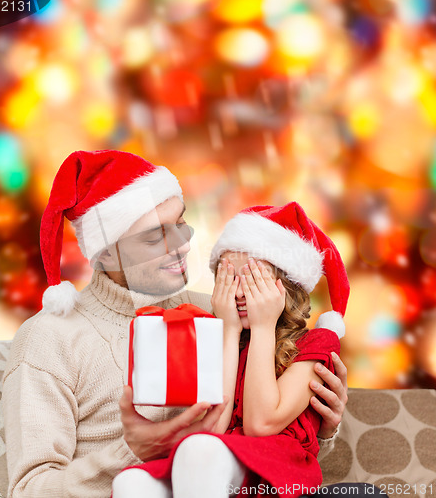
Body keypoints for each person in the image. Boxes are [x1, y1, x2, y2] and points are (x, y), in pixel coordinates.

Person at [2, 151, 347, 498]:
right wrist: (132, 452)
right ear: (105, 253)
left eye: (181, 223)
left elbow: (262, 438)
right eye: (155, 237)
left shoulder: (222, 310)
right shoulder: (49, 339)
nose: (182, 246)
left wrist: (321, 422)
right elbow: (29, 491)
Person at [112, 202, 350, 497]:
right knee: (130, 482)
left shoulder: (316, 343)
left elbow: (260, 424)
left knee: (199, 449)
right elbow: (215, 426)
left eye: (252, 279)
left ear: (286, 285)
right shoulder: (221, 338)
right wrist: (228, 330)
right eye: (228, 279)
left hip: (274, 471)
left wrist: (264, 327)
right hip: (216, 463)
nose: (238, 292)